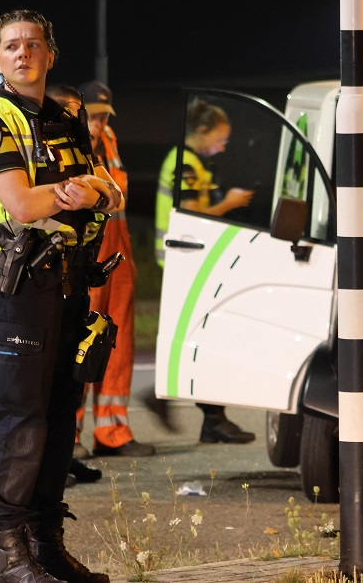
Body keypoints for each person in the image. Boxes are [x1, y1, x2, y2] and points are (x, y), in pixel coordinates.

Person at [0, 9, 119, 583]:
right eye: (11, 46)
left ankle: (47, 547)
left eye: (33, 44)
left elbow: (113, 194)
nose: (23, 53)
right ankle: (9, 553)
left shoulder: (68, 119)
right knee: (22, 420)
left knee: (58, 418)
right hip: (18, 285)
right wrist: (78, 194)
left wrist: (87, 192)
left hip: (71, 281)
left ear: (51, 54)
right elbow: (21, 206)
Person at [148, 99, 256, 444]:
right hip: (184, 261)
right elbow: (195, 215)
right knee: (201, 339)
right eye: (220, 139)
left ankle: (213, 418)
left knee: (203, 339)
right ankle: (173, 402)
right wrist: (231, 202)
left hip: (191, 260)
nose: (222, 146)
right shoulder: (186, 166)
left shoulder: (195, 163)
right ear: (202, 131)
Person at [68, 80, 154, 458]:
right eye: (95, 115)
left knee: (116, 345)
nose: (101, 123)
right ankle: (68, 436)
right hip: (85, 256)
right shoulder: (68, 141)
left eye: (105, 116)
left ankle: (112, 430)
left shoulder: (109, 139)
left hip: (117, 256)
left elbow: (116, 194)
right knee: (79, 343)